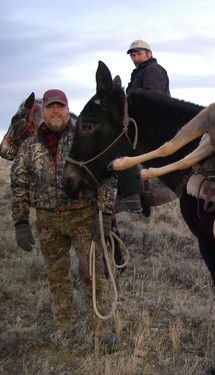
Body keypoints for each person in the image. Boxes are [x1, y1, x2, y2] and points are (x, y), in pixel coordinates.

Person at [11, 89, 119, 349]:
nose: (55, 111)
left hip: (82, 217)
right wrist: (21, 222)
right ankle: (65, 328)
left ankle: (101, 330)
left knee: (92, 274)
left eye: (60, 106)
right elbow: (19, 185)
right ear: (43, 111)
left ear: (67, 108)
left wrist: (104, 215)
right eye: (50, 107)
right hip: (48, 222)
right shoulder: (29, 146)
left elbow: (108, 176)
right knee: (57, 277)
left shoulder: (84, 135)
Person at [115, 39, 171, 214]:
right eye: (133, 55)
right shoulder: (139, 73)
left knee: (122, 146)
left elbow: (154, 99)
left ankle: (131, 195)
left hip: (154, 122)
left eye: (138, 54)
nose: (135, 58)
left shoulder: (153, 71)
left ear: (149, 54)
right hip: (141, 121)